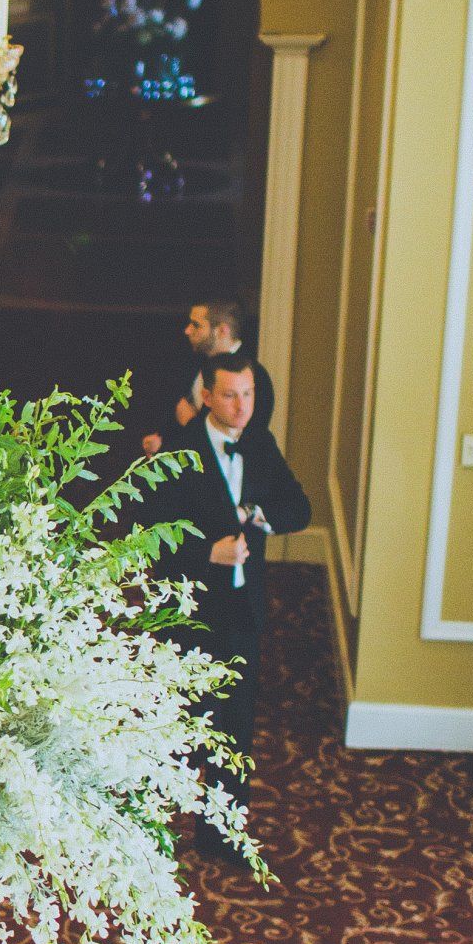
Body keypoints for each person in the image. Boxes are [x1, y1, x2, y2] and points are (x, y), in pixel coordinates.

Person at [153, 349, 310, 867]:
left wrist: (259, 515)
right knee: (178, 725)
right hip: (192, 611)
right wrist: (206, 552)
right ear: (206, 397)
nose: (241, 406)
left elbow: (299, 508)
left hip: (243, 607)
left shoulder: (259, 444)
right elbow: (149, 537)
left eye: (248, 395)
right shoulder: (179, 448)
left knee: (236, 728)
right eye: (229, 395)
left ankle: (223, 835)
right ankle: (152, 835)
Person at [142, 295, 276, 453]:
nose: (187, 330)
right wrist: (163, 441)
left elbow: (244, 442)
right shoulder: (196, 364)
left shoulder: (254, 376)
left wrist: (189, 422)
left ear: (221, 331)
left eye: (196, 325)